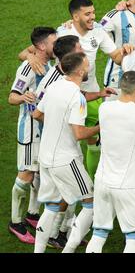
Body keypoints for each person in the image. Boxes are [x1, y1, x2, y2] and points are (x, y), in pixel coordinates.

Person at [56, 0, 134, 180]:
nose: (93, 17)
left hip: (90, 96)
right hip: (67, 96)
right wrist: (31, 56)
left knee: (95, 143)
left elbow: (115, 56)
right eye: (87, 14)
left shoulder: (97, 31)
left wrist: (128, 53)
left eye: (93, 12)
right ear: (75, 17)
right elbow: (37, 49)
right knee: (66, 143)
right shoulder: (62, 33)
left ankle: (93, 184)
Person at [31, 52, 99, 253]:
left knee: (51, 205)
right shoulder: (77, 97)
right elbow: (79, 133)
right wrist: (99, 127)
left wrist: (56, 123)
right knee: (90, 201)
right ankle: (68, 250)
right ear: (79, 70)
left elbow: (37, 113)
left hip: (46, 157)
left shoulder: (53, 87)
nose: (89, 69)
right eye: (87, 66)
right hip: (65, 159)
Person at [86, 71, 135, 253]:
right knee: (134, 237)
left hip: (102, 181)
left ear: (121, 86)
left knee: (99, 232)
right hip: (128, 185)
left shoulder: (105, 108)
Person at [8, 27, 56, 244]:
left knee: (38, 173)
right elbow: (12, 97)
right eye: (54, 42)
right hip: (29, 130)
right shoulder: (28, 67)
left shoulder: (48, 64)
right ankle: (15, 222)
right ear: (42, 46)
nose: (58, 45)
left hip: (43, 128)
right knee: (26, 174)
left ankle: (32, 214)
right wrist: (24, 97)